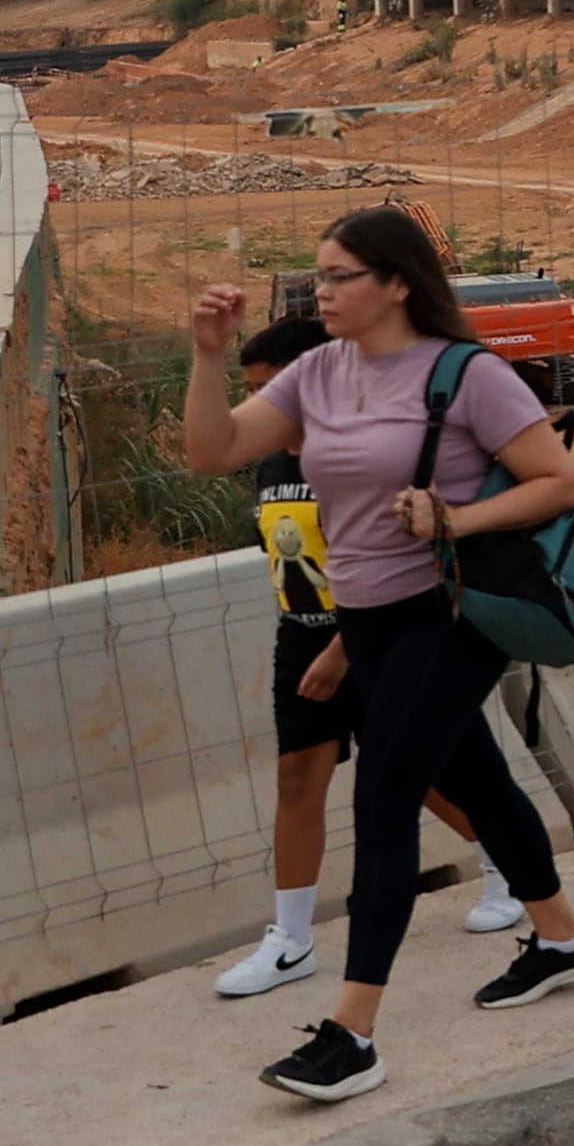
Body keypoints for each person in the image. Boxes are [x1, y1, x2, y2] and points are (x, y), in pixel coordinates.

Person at [181, 209, 574, 1102]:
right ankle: (564, 938)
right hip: (363, 617)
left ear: (397, 283)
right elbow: (212, 450)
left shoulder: (466, 374)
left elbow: (558, 482)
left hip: (447, 612)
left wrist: (457, 519)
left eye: (339, 276)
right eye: (319, 274)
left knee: (384, 797)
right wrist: (209, 355)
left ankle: (352, 1032)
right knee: (478, 777)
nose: (321, 290)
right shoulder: (318, 374)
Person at [209, 307, 521, 1003]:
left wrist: (342, 650)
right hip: (301, 634)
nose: (260, 404)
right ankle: (290, 940)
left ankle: (508, 871)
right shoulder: (270, 460)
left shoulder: (357, 453)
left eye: (268, 386)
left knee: (425, 775)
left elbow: (391, 558)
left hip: (372, 633)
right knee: (297, 777)